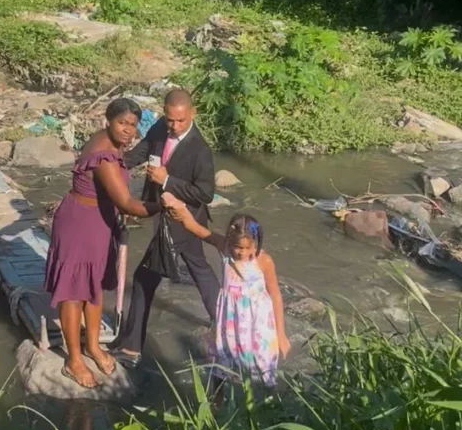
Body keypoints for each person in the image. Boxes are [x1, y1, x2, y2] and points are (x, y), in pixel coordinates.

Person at [44, 98, 158, 389]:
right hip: (80, 223)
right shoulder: (104, 156)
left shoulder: (109, 140)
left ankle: (93, 346)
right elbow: (127, 203)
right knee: (73, 292)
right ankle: (73, 359)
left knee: (93, 285)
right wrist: (163, 206)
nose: (128, 131)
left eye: (133, 125)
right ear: (108, 120)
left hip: (97, 222)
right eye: (122, 123)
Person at [115, 87, 220, 365]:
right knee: (199, 267)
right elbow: (144, 150)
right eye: (170, 119)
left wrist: (166, 180)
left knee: (143, 279)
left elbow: (205, 193)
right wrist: (114, 163)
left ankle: (131, 348)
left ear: (192, 114)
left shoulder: (200, 151)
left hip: (181, 220)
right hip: (165, 214)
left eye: (180, 121)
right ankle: (225, 320)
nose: (174, 126)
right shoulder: (161, 127)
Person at [163, 201, 290, 386]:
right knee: (221, 355)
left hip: (257, 322)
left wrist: (281, 334)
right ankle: (217, 401)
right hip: (230, 319)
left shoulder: (264, 261)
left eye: (248, 247)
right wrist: (181, 213)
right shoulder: (224, 248)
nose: (242, 253)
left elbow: (276, 296)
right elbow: (197, 229)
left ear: (256, 243)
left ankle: (272, 400)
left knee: (263, 361)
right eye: (238, 247)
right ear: (229, 241)